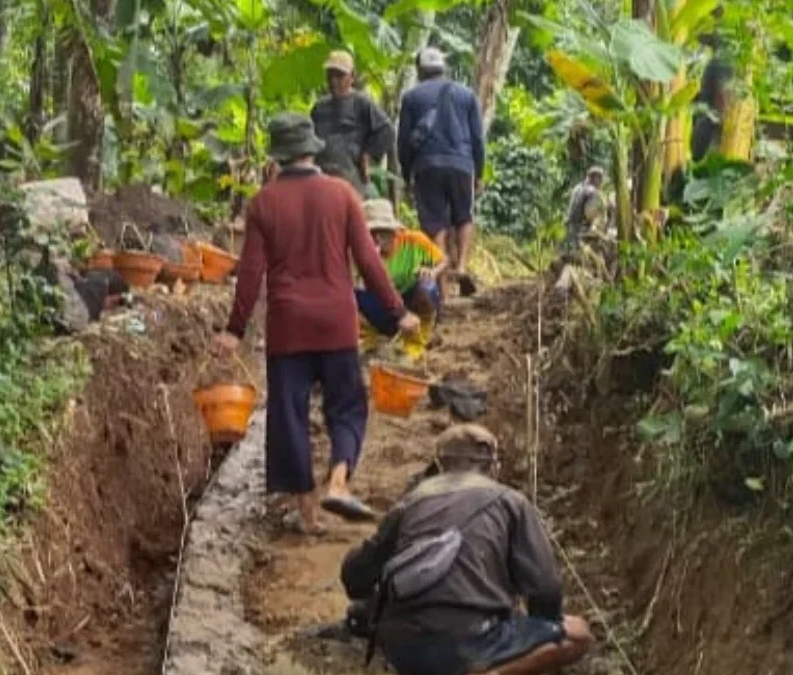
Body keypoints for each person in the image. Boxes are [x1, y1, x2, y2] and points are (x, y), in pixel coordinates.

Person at [211, 112, 420, 535]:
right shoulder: (342, 195)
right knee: (347, 404)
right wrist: (399, 312)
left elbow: (250, 274)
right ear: (312, 149)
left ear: (278, 156)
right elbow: (368, 262)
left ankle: (306, 511)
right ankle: (339, 481)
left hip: (288, 325)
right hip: (336, 322)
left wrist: (234, 329)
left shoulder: (263, 203)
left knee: (289, 415)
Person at [341, 424, 593, 675]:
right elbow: (546, 589)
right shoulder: (511, 501)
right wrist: (538, 627)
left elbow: (355, 577)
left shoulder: (410, 502)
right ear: (492, 466)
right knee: (578, 633)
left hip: (404, 648)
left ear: (439, 466)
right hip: (472, 642)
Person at [397, 47, 485, 297]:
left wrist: (407, 174)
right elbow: (478, 138)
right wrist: (478, 172)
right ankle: (462, 266)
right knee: (464, 216)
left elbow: (403, 141)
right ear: (442, 68)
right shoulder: (466, 94)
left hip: (427, 165)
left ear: (420, 70)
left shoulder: (412, 97)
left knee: (436, 222)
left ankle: (442, 284)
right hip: (462, 163)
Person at [357, 198, 446, 362]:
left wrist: (432, 272)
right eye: (372, 234)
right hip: (383, 304)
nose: (377, 239)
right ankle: (372, 337)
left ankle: (421, 337)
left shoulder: (414, 240)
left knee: (427, 286)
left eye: (382, 232)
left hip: (410, 297)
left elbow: (443, 260)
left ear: (393, 231)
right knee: (354, 294)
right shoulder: (360, 253)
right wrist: (372, 262)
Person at [310, 50, 394, 197]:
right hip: (322, 174)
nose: (334, 81)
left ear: (352, 77)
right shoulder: (319, 107)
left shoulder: (361, 103)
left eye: (340, 76)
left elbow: (386, 131)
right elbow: (309, 137)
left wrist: (368, 156)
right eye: (330, 75)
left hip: (351, 175)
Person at [560, 166, 607, 258]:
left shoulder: (577, 188)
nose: (602, 182)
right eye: (600, 179)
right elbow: (590, 214)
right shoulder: (592, 192)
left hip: (570, 231)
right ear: (596, 178)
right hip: (582, 231)